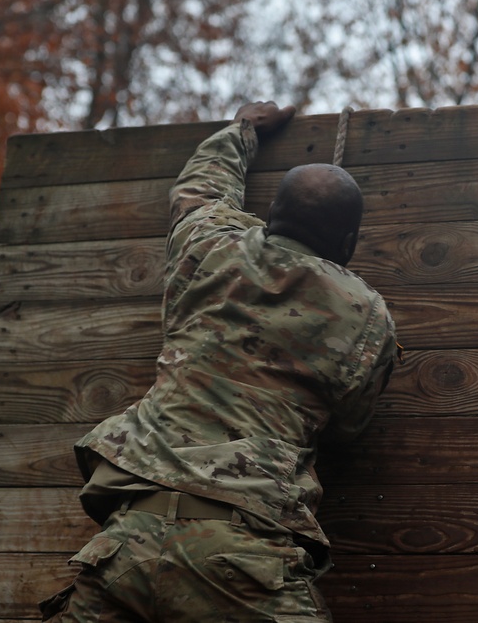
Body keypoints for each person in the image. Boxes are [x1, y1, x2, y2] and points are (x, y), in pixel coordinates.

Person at [39, 101, 398, 622]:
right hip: (242, 557)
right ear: (348, 243)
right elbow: (350, 420)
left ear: (269, 217)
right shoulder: (364, 313)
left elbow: (201, 187)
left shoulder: (207, 243)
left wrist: (244, 129)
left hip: (125, 543)